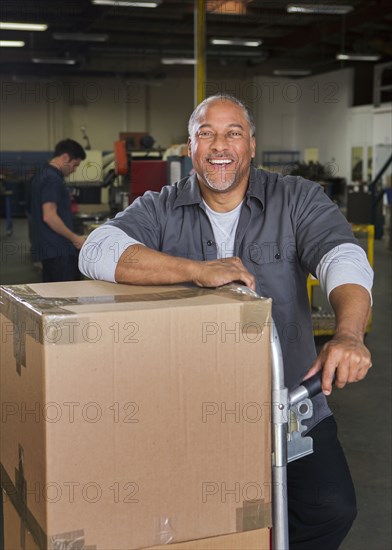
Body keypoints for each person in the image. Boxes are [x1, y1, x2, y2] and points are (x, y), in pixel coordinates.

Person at [79, 95, 373, 549]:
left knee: (331, 507)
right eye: (206, 133)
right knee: (201, 519)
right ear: (191, 148)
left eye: (233, 132)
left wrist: (349, 334)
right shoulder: (160, 207)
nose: (220, 145)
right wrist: (196, 269)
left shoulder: (295, 198)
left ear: (251, 145)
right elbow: (95, 252)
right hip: (192, 409)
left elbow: (343, 256)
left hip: (290, 404)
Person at [29, 139, 86, 282]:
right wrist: (75, 238)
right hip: (59, 251)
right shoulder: (52, 178)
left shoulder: (41, 174)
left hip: (48, 250)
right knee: (67, 298)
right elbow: (49, 216)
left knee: (54, 297)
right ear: (65, 157)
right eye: (75, 165)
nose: (74, 169)